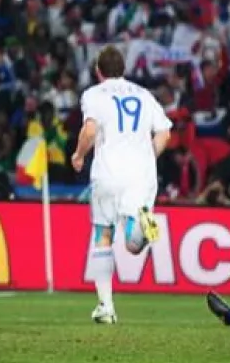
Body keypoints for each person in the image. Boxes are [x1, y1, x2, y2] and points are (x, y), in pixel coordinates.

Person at [71, 45, 172, 324]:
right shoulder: (144, 94)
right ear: (124, 70)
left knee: (103, 235)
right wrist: (147, 157)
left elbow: (90, 129)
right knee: (132, 245)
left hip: (108, 173)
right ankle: (139, 228)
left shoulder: (93, 94)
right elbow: (164, 132)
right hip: (141, 175)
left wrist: (79, 156)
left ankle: (106, 306)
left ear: (98, 71)